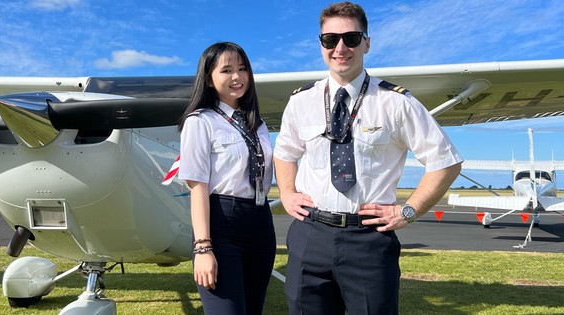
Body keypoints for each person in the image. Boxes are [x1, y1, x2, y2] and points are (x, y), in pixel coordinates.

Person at [273, 2, 463, 314]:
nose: (340, 48)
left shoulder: (396, 102)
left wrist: (408, 211)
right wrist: (287, 191)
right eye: (329, 39)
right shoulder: (300, 101)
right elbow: (285, 153)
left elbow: (445, 161)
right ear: (320, 44)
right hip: (310, 233)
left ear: (367, 43)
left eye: (351, 38)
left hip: (368, 239)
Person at [178, 42, 276, 314]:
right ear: (209, 79)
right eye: (227, 70)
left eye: (243, 69)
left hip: (260, 223)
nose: (237, 77)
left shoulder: (257, 124)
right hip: (223, 225)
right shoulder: (200, 122)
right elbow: (198, 186)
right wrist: (203, 248)